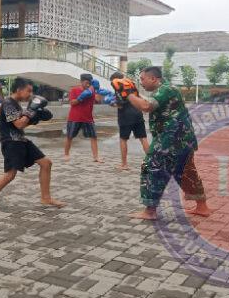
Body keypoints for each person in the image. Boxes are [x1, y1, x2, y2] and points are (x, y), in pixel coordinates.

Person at [113, 67, 211, 220]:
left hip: (170, 141)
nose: (141, 83)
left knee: (150, 168)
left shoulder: (165, 90)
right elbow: (146, 102)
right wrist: (132, 94)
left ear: (154, 79)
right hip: (182, 140)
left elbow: (146, 106)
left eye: (143, 79)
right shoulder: (167, 90)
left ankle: (150, 211)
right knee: (185, 172)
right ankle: (202, 207)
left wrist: (128, 93)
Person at [0, 77, 65, 212]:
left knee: (46, 163)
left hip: (21, 140)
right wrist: (31, 111)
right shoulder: (8, 103)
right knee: (10, 175)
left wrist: (36, 117)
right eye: (28, 91)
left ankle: (46, 198)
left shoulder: (16, 103)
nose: (30, 94)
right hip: (11, 143)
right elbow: (19, 123)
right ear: (19, 90)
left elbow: (21, 123)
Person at [110, 72, 149, 171]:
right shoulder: (131, 85)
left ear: (115, 79)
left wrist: (112, 104)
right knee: (143, 139)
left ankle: (124, 164)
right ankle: (153, 163)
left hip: (125, 116)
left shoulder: (118, 86)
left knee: (123, 139)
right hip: (137, 114)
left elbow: (120, 104)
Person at [64, 73, 103, 163]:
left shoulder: (92, 90)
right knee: (69, 136)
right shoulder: (74, 90)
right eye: (86, 83)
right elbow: (72, 103)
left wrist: (97, 90)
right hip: (75, 118)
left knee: (94, 137)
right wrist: (81, 98)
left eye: (89, 83)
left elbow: (98, 100)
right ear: (81, 81)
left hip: (88, 118)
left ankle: (96, 157)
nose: (88, 85)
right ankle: (66, 154)